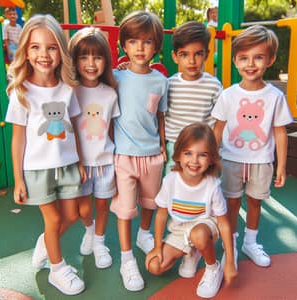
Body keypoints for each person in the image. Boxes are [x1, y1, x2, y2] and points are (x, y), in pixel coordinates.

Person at [5, 14, 85, 295]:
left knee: (72, 215)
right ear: (26, 51)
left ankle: (44, 244)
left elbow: (74, 127)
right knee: (52, 220)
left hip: (67, 164)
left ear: (60, 51)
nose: (43, 54)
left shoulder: (67, 88)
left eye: (51, 47)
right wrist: (18, 180)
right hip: (37, 169)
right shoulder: (21, 91)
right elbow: (18, 139)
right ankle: (58, 268)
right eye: (36, 47)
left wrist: (81, 161)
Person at [212, 25, 293, 269]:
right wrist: (211, 158)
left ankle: (250, 241)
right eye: (244, 57)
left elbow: (279, 131)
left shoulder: (275, 96)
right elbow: (218, 128)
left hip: (261, 160)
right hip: (231, 159)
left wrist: (281, 165)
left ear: (269, 60)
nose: (251, 64)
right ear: (235, 60)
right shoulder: (228, 95)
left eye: (258, 57)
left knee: (255, 202)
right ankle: (232, 245)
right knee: (232, 203)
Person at [110, 11, 168, 291]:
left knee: (150, 202)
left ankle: (145, 234)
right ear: (124, 45)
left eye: (147, 42)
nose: (140, 48)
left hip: (153, 155)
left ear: (156, 46)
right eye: (133, 42)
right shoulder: (115, 77)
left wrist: (163, 145)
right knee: (125, 208)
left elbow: (160, 117)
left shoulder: (160, 81)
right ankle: (126, 259)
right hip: (123, 156)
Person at [146, 122, 237, 299]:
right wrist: (157, 247)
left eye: (202, 155)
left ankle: (213, 267)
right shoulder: (170, 180)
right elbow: (161, 215)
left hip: (205, 227)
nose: (194, 161)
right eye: (188, 153)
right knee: (154, 265)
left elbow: (224, 223)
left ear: (211, 158)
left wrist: (230, 261)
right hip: (181, 230)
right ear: (178, 154)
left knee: (199, 235)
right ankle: (193, 252)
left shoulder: (212, 184)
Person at [68, 27, 120, 268]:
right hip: (78, 163)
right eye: (84, 56)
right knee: (82, 208)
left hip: (105, 161)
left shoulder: (110, 93)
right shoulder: (69, 91)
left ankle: (99, 241)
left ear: (105, 61)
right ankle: (89, 229)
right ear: (74, 59)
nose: (91, 63)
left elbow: (109, 128)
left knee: (102, 204)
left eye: (97, 57)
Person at [164, 21, 222, 174]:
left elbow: (220, 122)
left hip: (203, 149)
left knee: (204, 188)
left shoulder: (213, 86)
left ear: (207, 55)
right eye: (184, 54)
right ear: (175, 56)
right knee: (174, 187)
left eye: (198, 54)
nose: (191, 61)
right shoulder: (169, 85)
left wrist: (213, 148)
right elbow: (161, 116)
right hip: (175, 147)